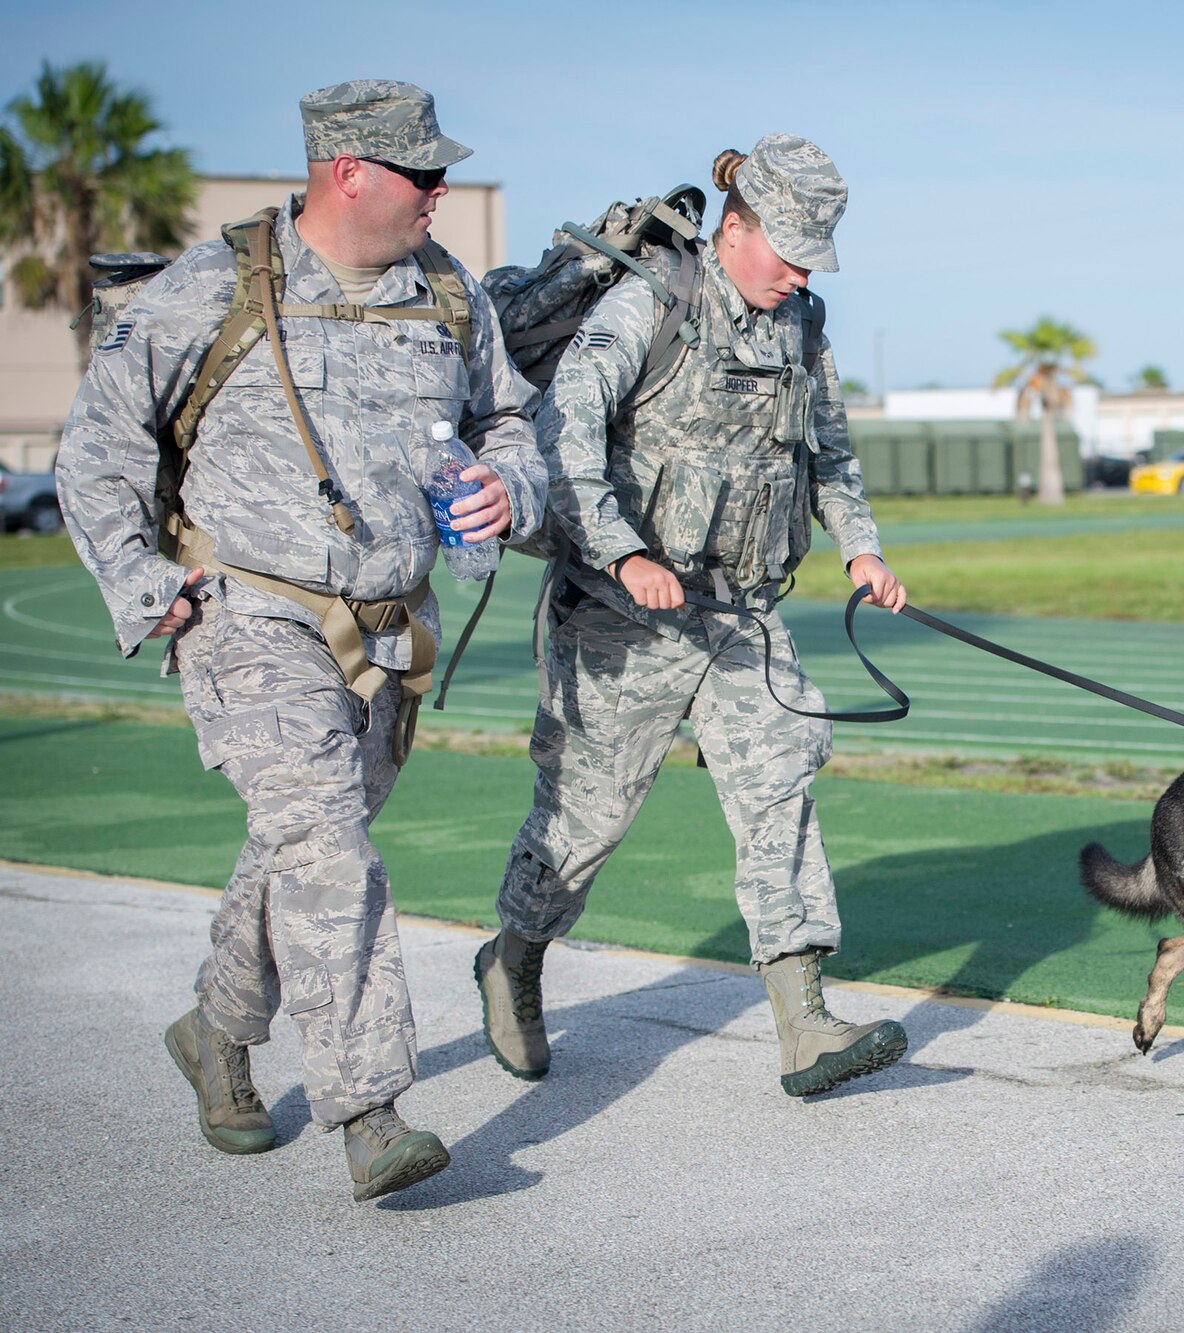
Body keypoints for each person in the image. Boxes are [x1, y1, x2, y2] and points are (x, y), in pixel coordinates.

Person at [57, 81, 547, 1201]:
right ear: (347, 171)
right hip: (248, 616)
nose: (440, 191)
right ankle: (369, 1109)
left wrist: (505, 487)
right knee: (327, 848)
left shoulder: (448, 291)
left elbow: (511, 419)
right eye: (421, 173)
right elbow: (99, 443)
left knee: (297, 851)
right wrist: (139, 581)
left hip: (384, 632)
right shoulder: (217, 285)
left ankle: (217, 1028)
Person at [476, 135, 911, 1099]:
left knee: (778, 788)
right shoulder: (651, 306)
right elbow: (562, 442)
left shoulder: (801, 322)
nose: (799, 274)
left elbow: (828, 452)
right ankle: (512, 958)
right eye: (786, 252)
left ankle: (805, 1024)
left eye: (813, 259)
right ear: (737, 225)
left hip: (742, 615)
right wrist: (623, 552)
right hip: (621, 613)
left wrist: (862, 545)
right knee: (583, 823)